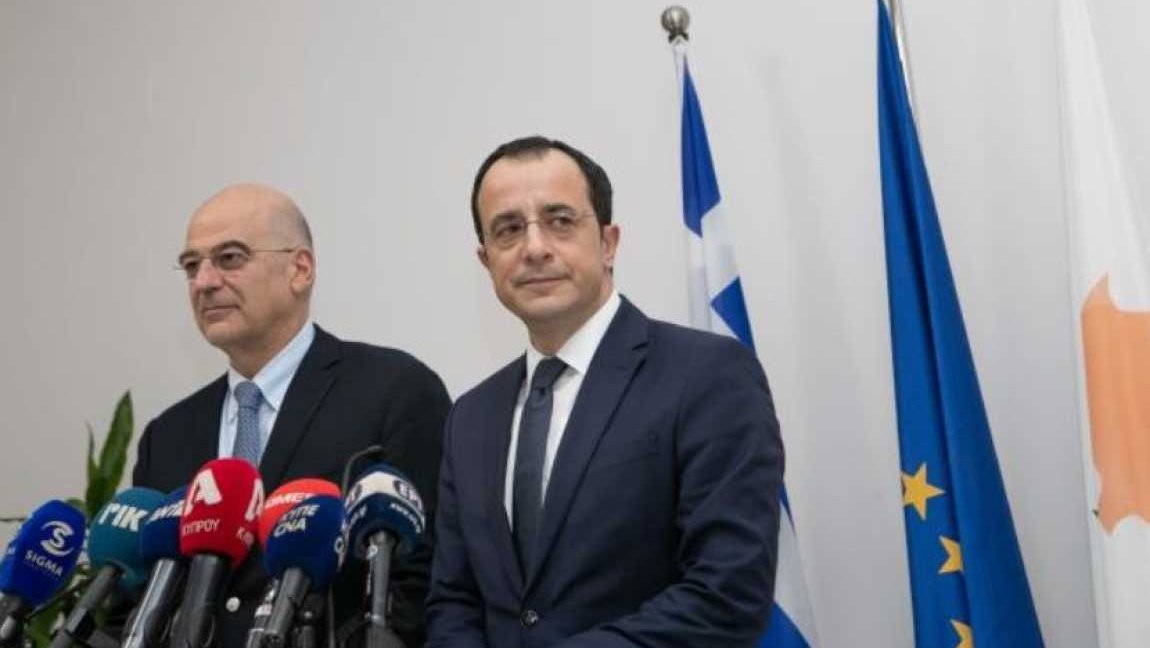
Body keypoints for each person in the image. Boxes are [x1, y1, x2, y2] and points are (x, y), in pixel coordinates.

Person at [426, 137, 784, 647]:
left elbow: (728, 592)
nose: (534, 247)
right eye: (508, 230)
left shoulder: (707, 375)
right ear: (487, 260)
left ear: (608, 242)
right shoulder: (470, 417)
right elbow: (453, 601)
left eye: (560, 221)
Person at [132, 183, 450, 647]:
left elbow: (420, 581)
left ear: (300, 269)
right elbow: (140, 602)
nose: (204, 282)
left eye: (229, 258)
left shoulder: (394, 391)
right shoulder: (167, 436)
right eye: (192, 265)